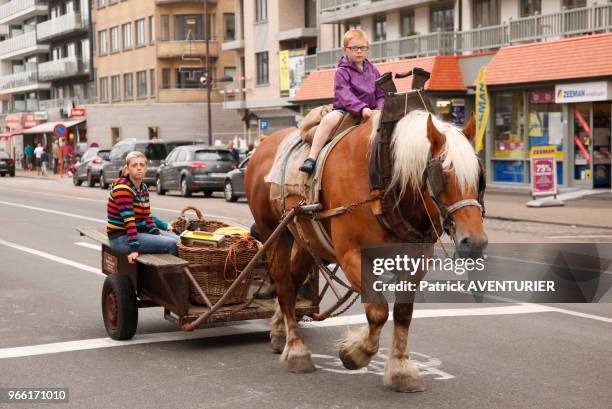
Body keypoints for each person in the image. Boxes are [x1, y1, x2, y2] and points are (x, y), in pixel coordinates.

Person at [300, 28, 384, 174]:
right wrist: (361, 108)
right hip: (346, 110)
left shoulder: (374, 71)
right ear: (345, 50)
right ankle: (312, 157)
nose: (359, 51)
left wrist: (379, 108)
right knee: (328, 120)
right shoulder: (342, 72)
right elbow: (345, 94)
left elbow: (381, 93)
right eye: (354, 48)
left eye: (363, 48)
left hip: (372, 112)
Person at [107, 151, 179, 263]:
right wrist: (134, 249)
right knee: (173, 244)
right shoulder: (123, 189)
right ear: (127, 169)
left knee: (180, 240)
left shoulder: (143, 188)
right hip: (122, 238)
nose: (139, 168)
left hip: (140, 232)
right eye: (134, 165)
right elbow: (129, 221)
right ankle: (168, 278)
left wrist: (157, 233)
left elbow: (147, 217)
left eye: (142, 165)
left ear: (146, 168)